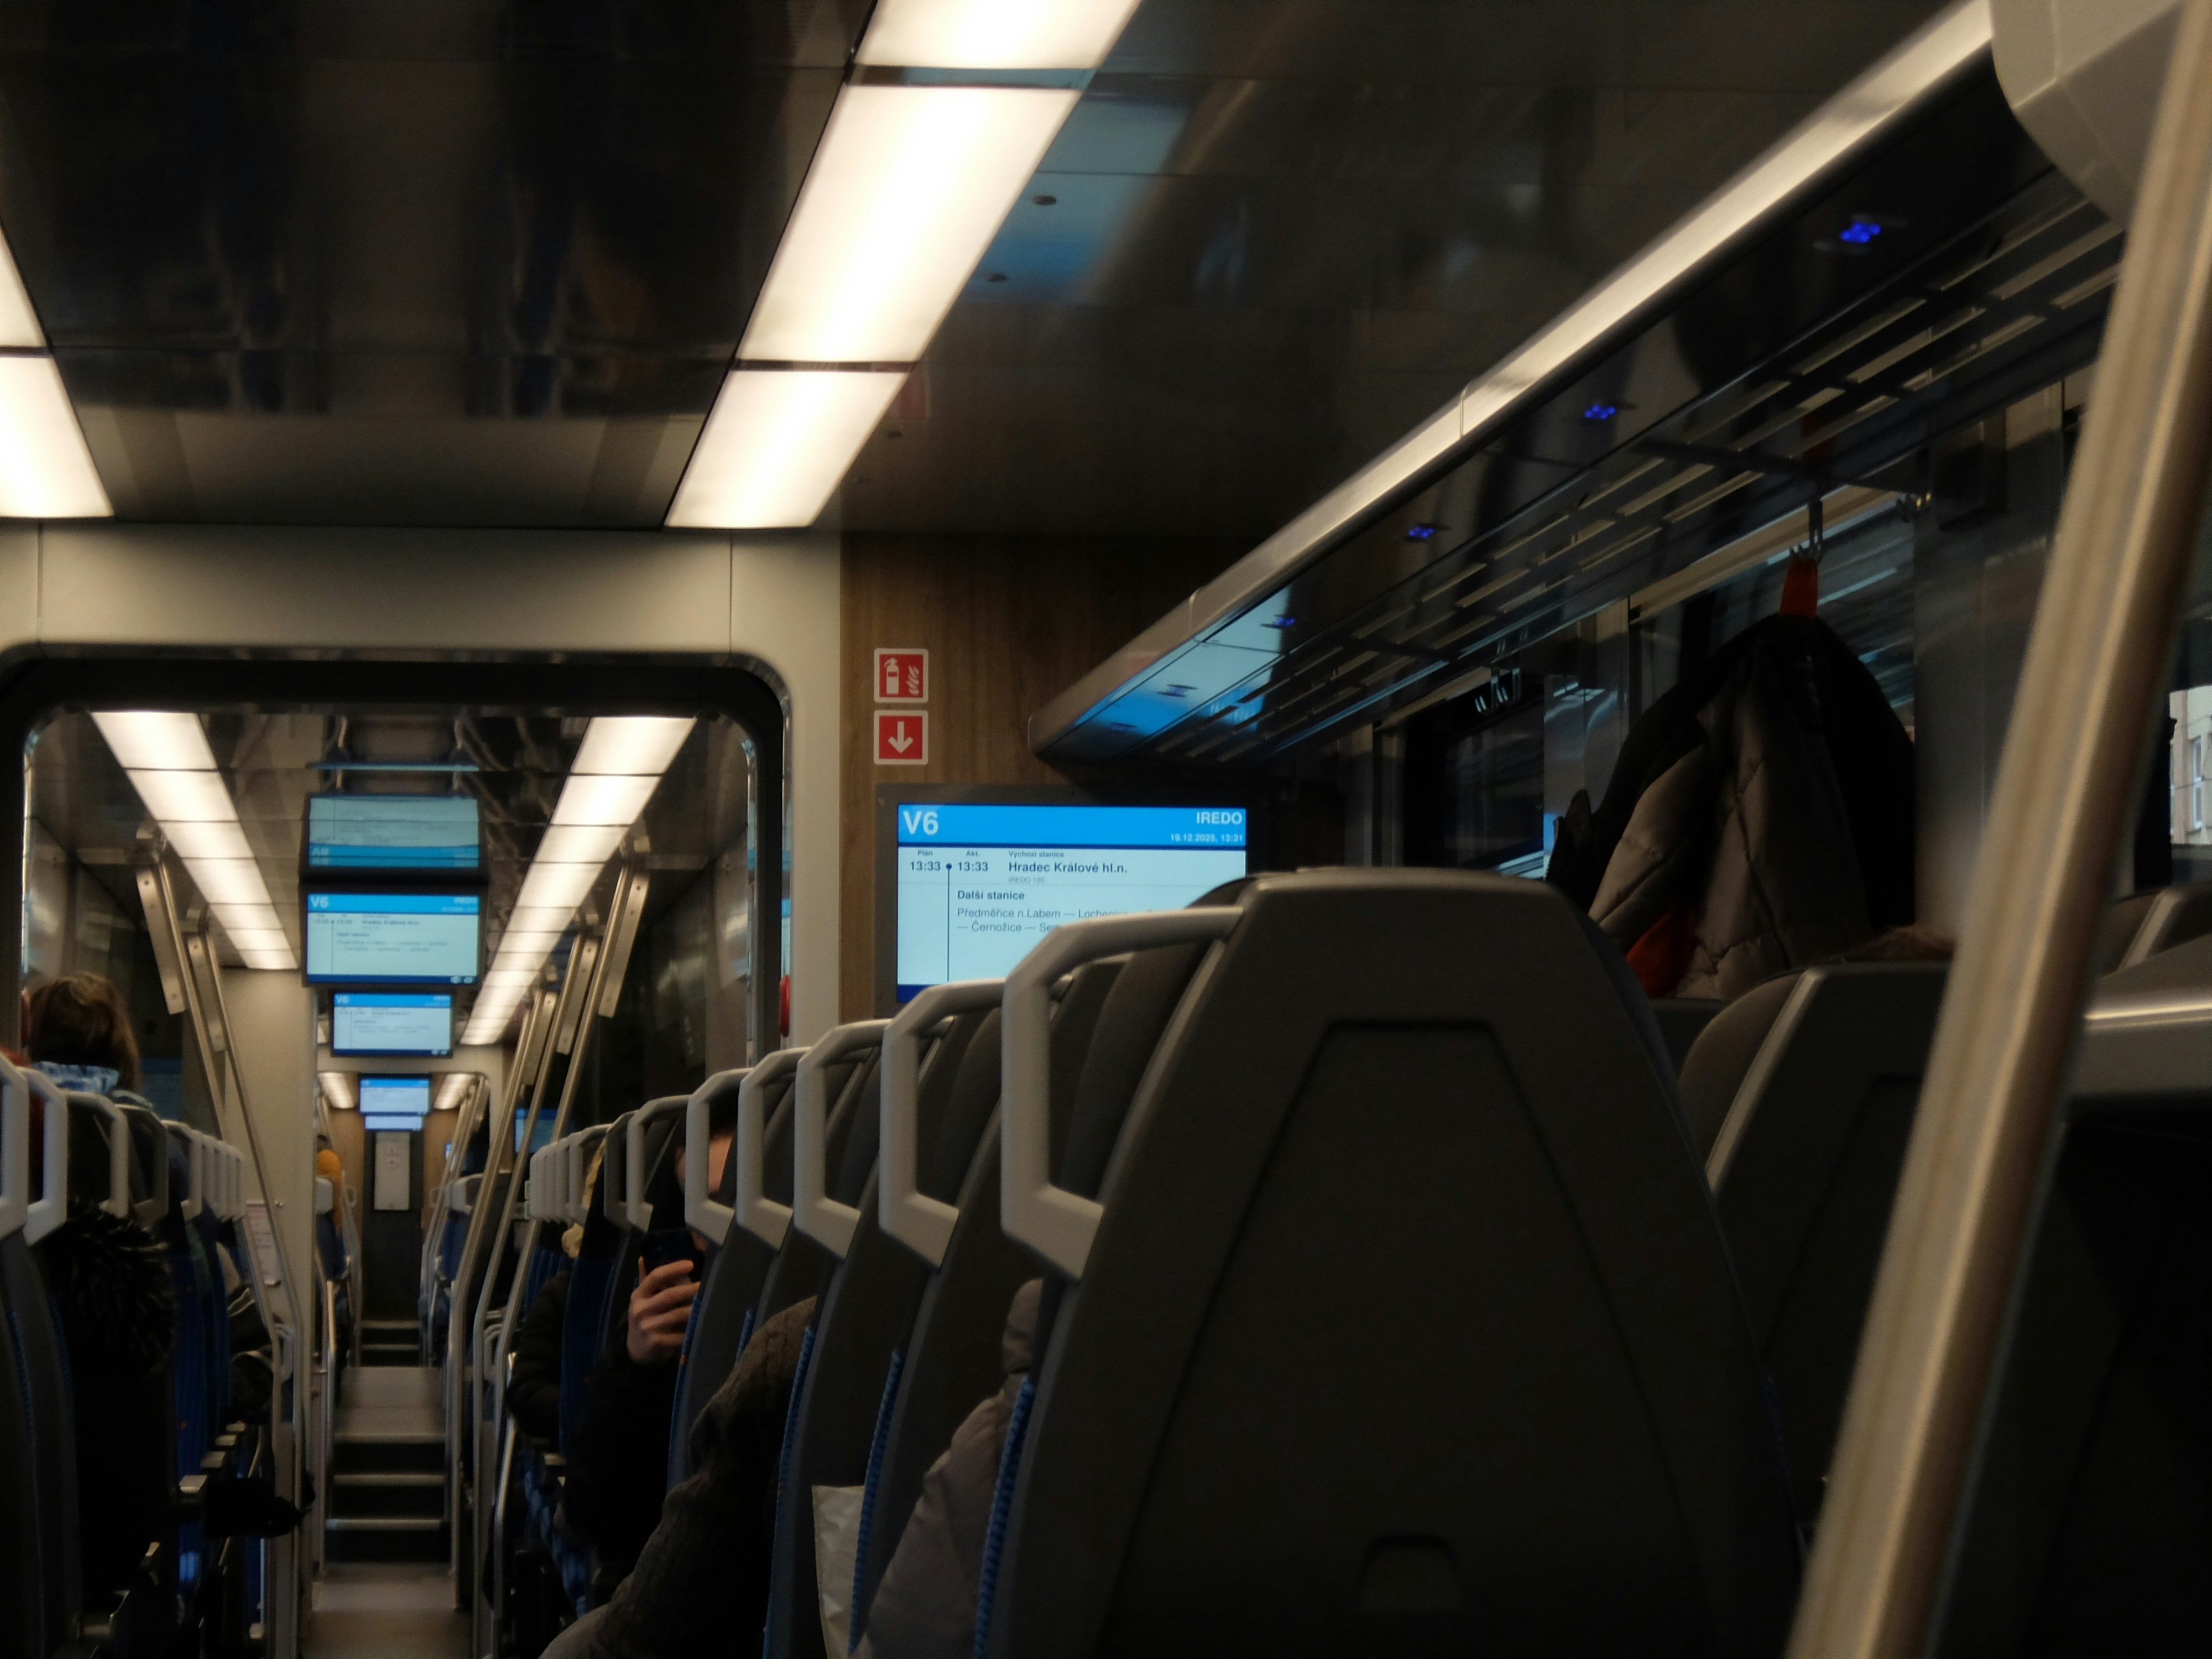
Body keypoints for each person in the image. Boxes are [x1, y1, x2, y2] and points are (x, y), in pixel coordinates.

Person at [561, 1111, 734, 1588]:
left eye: (723, 1202)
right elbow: (589, 1509)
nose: (702, 1230)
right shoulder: (653, 1322)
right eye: (693, 1205)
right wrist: (633, 1369)